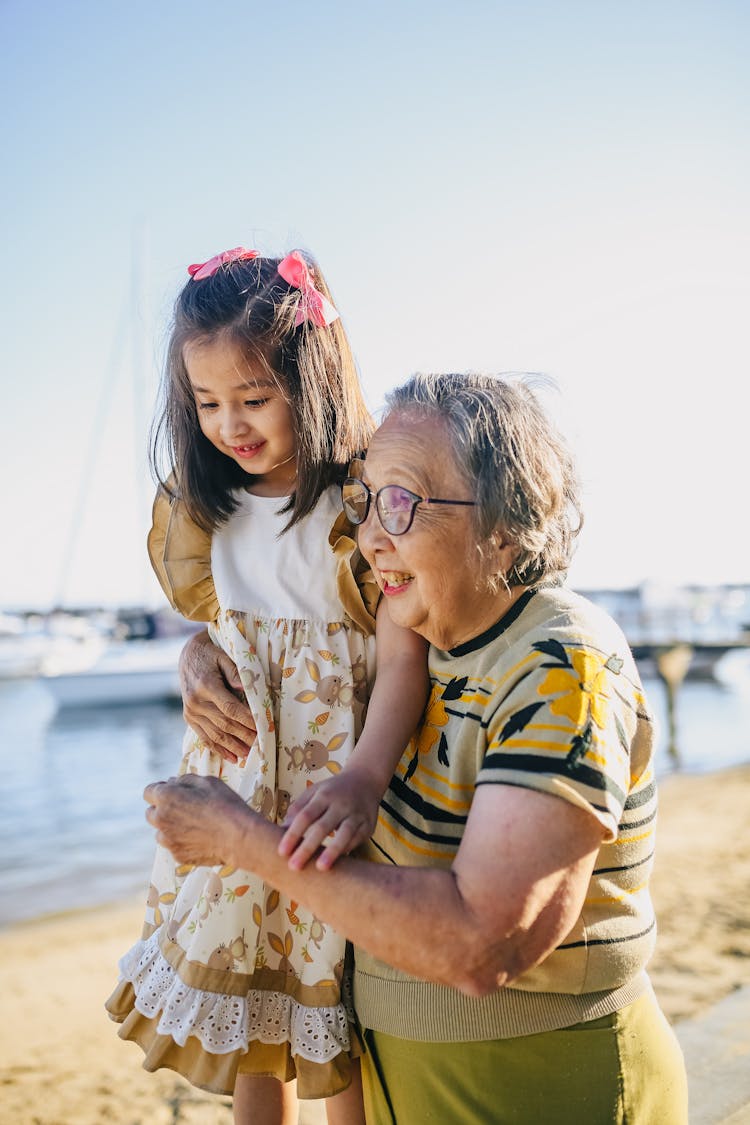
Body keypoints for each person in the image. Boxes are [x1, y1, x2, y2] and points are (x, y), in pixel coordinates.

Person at [144, 372, 689, 1124]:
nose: (368, 536)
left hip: (544, 1089)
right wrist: (206, 653)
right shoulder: (412, 662)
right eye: (364, 503)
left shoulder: (561, 662)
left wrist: (242, 838)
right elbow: (290, 623)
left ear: (504, 521)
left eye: (399, 503)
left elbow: (483, 941)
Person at [106, 247, 429, 1125]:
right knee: (257, 1007)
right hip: (240, 781)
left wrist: (363, 777)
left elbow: (403, 659)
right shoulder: (205, 511)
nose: (230, 425)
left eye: (254, 399)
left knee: (338, 1015)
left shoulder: (360, 508)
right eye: (207, 403)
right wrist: (192, 660)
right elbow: (222, 638)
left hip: (337, 791)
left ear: (311, 377)